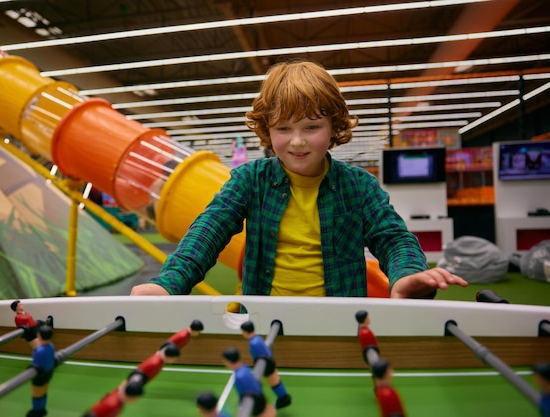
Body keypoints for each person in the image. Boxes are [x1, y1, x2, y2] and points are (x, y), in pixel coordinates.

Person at [130, 59, 468, 298]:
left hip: (338, 319)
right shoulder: (250, 180)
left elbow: (392, 237)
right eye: (283, 128)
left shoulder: (358, 186)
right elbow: (207, 232)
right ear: (267, 130)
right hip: (263, 316)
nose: (297, 141)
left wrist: (407, 274)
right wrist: (169, 283)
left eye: (311, 127)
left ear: (334, 127)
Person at [240, 321, 291, 408]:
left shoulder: (254, 342)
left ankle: (284, 398)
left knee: (274, 382)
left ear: (246, 331)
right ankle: (283, 397)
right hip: (268, 362)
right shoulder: (257, 338)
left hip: (267, 364)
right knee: (275, 381)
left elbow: (261, 355)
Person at [221, 347, 276, 417]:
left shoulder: (239, 376)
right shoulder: (244, 367)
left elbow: (246, 391)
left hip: (256, 402)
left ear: (228, 361)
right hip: (259, 397)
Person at [27, 326, 56, 417]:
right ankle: (42, 408)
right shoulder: (51, 346)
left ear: (39, 335)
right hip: (49, 372)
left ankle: (37, 410)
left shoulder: (39, 351)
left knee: (37, 393)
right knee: (44, 391)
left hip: (40, 375)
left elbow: (35, 364)